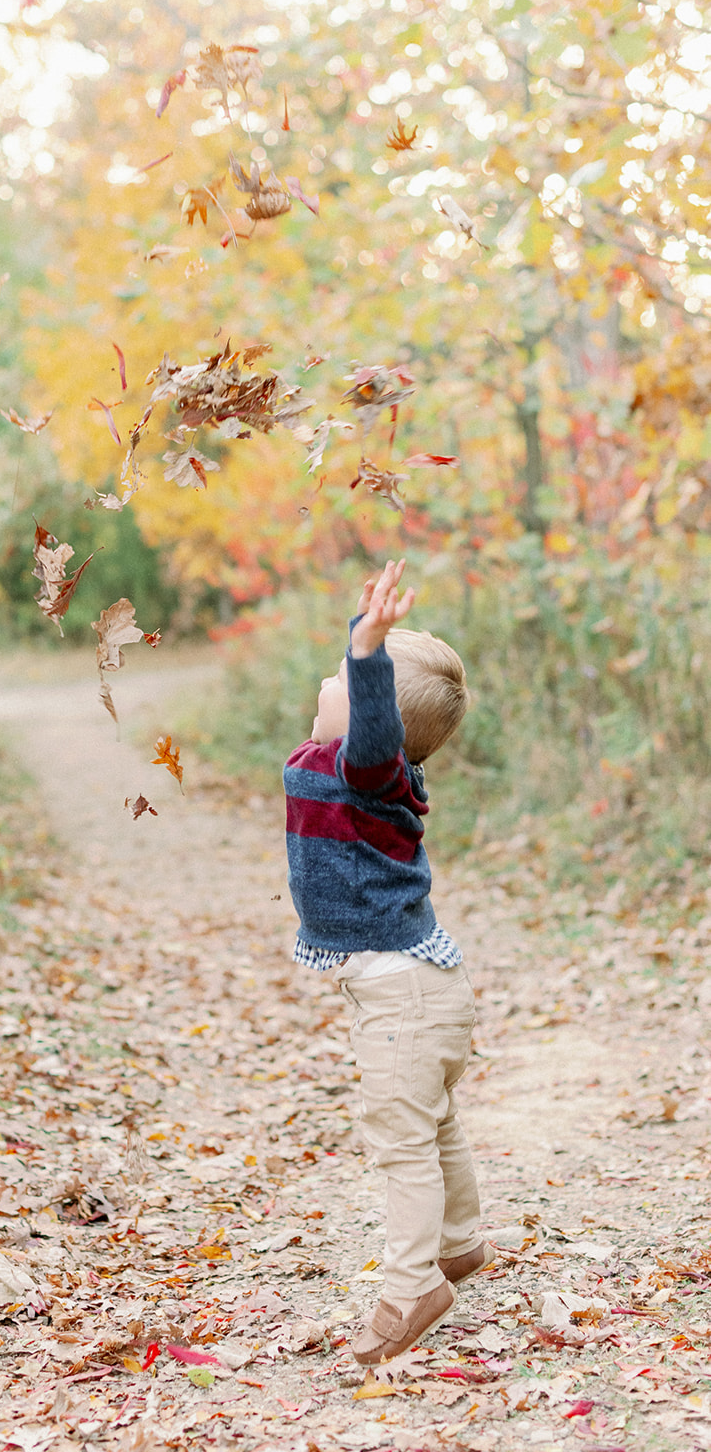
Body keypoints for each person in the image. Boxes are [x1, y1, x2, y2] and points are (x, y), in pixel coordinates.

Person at [284, 558, 490, 1364]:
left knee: (399, 1140)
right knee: (433, 1122)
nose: (329, 677)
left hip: (404, 997)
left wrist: (366, 655)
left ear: (373, 712)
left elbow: (370, 719)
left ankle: (412, 1286)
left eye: (346, 673)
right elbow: (367, 705)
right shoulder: (345, 763)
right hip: (424, 988)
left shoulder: (366, 770)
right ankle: (460, 1241)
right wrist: (363, 637)